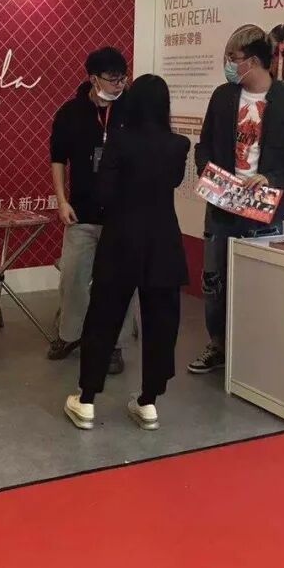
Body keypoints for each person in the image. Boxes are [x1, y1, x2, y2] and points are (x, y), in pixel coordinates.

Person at [65, 75, 190, 431]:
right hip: (163, 242)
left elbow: (103, 194)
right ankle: (149, 402)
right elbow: (172, 182)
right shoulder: (178, 145)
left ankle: (87, 401)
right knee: (161, 323)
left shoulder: (119, 141)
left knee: (103, 318)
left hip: (120, 241)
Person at [190, 25, 284, 374]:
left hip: (266, 209)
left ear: (255, 61)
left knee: (261, 282)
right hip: (221, 204)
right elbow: (204, 145)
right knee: (215, 281)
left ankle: (254, 354)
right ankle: (218, 346)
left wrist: (273, 179)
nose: (230, 65)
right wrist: (208, 173)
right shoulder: (223, 97)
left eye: (235, 59)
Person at [48, 46, 139, 375]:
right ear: (93, 78)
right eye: (112, 79)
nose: (118, 85)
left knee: (119, 283)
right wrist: (62, 200)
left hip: (122, 214)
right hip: (82, 212)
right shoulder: (70, 113)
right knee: (73, 277)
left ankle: (114, 345)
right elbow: (58, 159)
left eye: (122, 79)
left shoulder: (132, 110)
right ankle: (69, 334)